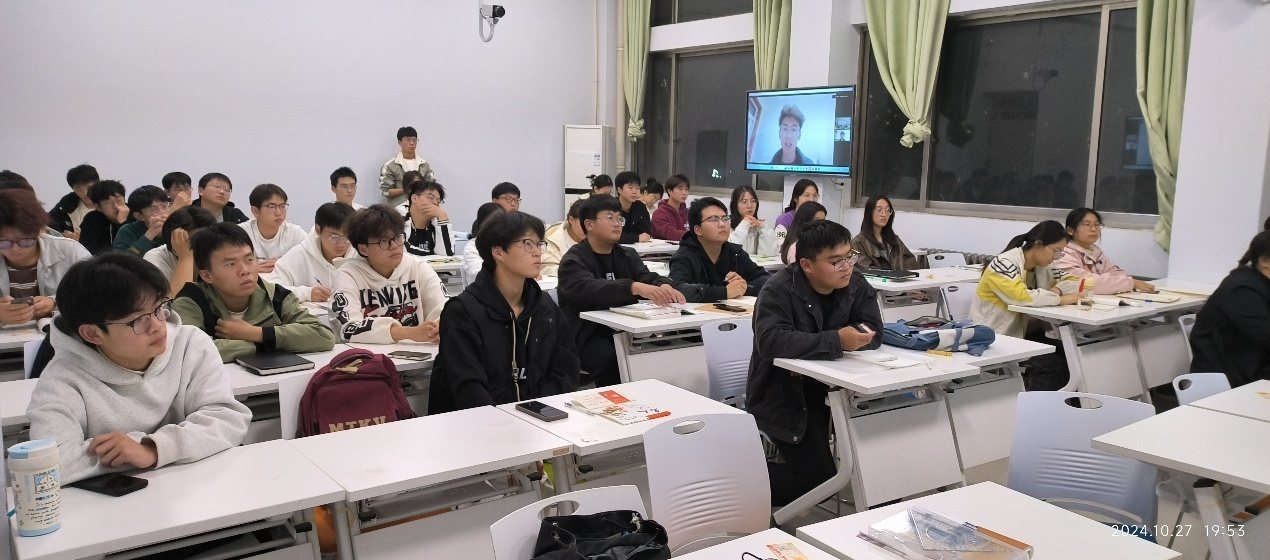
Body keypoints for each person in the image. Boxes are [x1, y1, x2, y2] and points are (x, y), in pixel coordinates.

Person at [26, 253, 251, 484]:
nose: (157, 326)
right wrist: (136, 452)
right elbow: (49, 462)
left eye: (159, 308)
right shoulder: (62, 379)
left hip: (195, 486)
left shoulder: (191, 344)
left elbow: (228, 419)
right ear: (92, 333)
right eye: (138, 320)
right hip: (114, 502)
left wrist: (153, 448)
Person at [747, 220, 881, 506]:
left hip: (841, 388)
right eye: (835, 262)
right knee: (819, 480)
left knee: (886, 451)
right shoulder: (778, 289)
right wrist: (836, 340)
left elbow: (874, 329)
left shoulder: (855, 283)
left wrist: (856, 336)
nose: (846, 267)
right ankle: (731, 482)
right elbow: (770, 341)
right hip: (787, 398)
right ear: (806, 265)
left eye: (849, 257)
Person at [429, 212, 581, 413]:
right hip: (479, 423)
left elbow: (566, 368)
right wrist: (506, 421)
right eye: (528, 244)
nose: (537, 252)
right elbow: (468, 388)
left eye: (539, 244)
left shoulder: (545, 307)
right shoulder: (463, 311)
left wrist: (539, 409)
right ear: (498, 252)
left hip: (540, 418)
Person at [558, 197, 685, 386]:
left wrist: (663, 284)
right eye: (610, 218)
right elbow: (590, 288)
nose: (617, 224)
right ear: (589, 224)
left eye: (619, 218)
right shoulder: (573, 261)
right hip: (587, 335)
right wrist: (633, 287)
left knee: (668, 350)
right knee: (612, 359)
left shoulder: (626, 254)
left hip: (627, 330)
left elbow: (646, 276)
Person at [172, 224, 335, 363]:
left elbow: (323, 336)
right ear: (207, 276)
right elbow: (190, 351)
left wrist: (256, 333)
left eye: (249, 260)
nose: (245, 270)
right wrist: (264, 344)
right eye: (230, 264)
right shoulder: (191, 301)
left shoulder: (275, 295)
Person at [971, 221, 1082, 391]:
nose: (1056, 257)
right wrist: (1059, 299)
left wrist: (1057, 290)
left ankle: (1067, 404)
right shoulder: (1003, 263)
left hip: (1027, 334)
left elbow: (1074, 281)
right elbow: (1020, 296)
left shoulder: (1045, 267)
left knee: (1072, 355)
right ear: (1038, 244)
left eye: (1060, 253)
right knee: (1051, 367)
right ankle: (1034, 405)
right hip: (995, 336)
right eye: (1055, 251)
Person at [331, 205, 447, 344]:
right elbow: (348, 329)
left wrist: (441, 324)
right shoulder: (347, 275)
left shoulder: (417, 267)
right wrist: (407, 333)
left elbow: (445, 308)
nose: (395, 246)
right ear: (363, 249)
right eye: (384, 241)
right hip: (368, 354)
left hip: (418, 351)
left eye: (398, 237)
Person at [1189, 231, 1270, 387]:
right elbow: (1265, 336)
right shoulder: (1242, 289)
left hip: (1251, 365)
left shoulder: (1259, 282)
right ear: (1264, 261)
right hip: (1227, 376)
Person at [0, 189, 92, 325]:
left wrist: (56, 303)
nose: (15, 248)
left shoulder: (71, 251)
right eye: (4, 242)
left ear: (40, 230)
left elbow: (99, 295)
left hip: (60, 335)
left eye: (25, 240)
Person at [670, 197, 770, 302]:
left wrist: (744, 287)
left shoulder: (735, 253)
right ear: (698, 230)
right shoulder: (684, 256)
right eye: (713, 219)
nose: (722, 224)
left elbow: (766, 280)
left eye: (725, 218)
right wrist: (724, 292)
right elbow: (677, 288)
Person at [1052, 207, 1155, 294]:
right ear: (1070, 230)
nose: (1094, 229)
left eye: (1097, 225)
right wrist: (1129, 283)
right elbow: (1088, 284)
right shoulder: (1062, 254)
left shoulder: (1095, 251)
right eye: (1087, 225)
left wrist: (1124, 281)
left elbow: (1115, 272)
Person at [269, 202, 358, 303]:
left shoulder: (360, 256)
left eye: (347, 237)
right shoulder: (299, 255)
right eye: (334, 237)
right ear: (318, 230)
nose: (341, 244)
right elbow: (271, 289)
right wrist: (307, 293)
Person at [144, 206, 218, 298]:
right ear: (174, 243)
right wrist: (185, 257)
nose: (204, 246)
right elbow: (172, 304)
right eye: (194, 242)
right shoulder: (155, 259)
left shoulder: (219, 252)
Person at [240, 184, 307, 273]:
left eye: (282, 206)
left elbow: (313, 259)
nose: (278, 213)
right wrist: (250, 268)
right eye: (271, 207)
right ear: (255, 211)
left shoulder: (294, 233)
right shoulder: (241, 233)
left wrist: (285, 264)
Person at [852, 195, 919, 271]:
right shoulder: (857, 243)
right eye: (879, 210)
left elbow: (911, 263)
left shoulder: (894, 239)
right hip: (878, 279)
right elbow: (866, 270)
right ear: (869, 212)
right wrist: (891, 275)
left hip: (899, 278)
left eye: (887, 210)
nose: (884, 214)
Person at [379, 126, 437, 207]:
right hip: (400, 209)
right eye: (408, 139)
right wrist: (407, 189)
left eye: (414, 140)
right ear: (399, 142)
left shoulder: (424, 164)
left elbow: (432, 186)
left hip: (422, 207)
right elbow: (385, 191)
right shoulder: (390, 166)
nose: (412, 143)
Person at [399, 175, 455, 257]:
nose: (435, 203)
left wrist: (443, 217)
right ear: (414, 198)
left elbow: (447, 253)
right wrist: (432, 254)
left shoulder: (436, 221)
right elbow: (402, 250)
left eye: (438, 201)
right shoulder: (398, 218)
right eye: (431, 197)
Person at [78, 180, 133, 255]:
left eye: (119, 200)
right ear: (98, 207)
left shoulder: (136, 214)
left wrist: (123, 222)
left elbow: (136, 246)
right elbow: (87, 248)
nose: (116, 206)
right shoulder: (92, 219)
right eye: (108, 203)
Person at [113, 185, 171, 256]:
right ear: (139, 216)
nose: (161, 212)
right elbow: (121, 260)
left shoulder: (177, 226)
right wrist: (150, 233)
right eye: (152, 209)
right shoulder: (128, 231)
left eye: (164, 206)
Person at [48, 163, 99, 240]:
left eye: (89, 188)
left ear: (98, 184)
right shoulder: (67, 204)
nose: (85, 193)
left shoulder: (110, 201)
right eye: (78, 189)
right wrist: (64, 236)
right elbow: (48, 223)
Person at [729, 185, 778, 257]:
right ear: (735, 205)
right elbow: (730, 251)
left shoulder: (758, 226)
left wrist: (764, 228)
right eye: (744, 202)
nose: (750, 205)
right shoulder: (726, 225)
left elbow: (769, 254)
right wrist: (744, 225)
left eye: (753, 201)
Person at [542, 198, 587, 277]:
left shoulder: (597, 240)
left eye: (592, 222)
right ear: (571, 220)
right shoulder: (551, 242)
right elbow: (546, 269)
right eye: (584, 222)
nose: (588, 227)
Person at [463, 203, 505, 280]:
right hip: (485, 286)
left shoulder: (509, 243)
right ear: (483, 225)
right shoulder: (472, 246)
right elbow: (477, 273)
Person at [615, 171, 652, 243]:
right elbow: (610, 234)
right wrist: (636, 238)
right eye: (630, 187)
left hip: (638, 247)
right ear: (619, 190)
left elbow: (646, 233)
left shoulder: (640, 207)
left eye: (637, 188)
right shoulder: (610, 207)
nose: (634, 192)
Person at [652, 174, 690, 241]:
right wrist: (692, 236)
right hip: (664, 247)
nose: (684, 193)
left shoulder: (688, 212)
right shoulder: (659, 213)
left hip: (685, 246)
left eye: (686, 189)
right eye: (680, 189)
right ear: (669, 191)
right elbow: (669, 233)